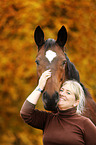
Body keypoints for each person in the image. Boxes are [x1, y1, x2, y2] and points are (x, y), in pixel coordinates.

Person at [20, 70, 96, 145]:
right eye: (62, 90)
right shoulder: (48, 119)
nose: (62, 94)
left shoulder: (84, 123)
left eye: (68, 93)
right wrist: (40, 87)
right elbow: (26, 113)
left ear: (76, 102)